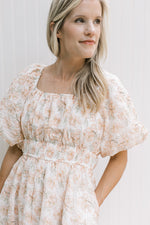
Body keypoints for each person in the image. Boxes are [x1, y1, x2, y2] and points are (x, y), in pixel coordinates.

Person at [0, 0, 149, 224]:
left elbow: (119, 157)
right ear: (56, 29)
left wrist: (91, 204)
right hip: (19, 205)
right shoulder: (29, 81)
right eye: (80, 20)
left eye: (97, 21)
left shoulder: (105, 89)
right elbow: (14, 150)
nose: (92, 30)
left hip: (71, 214)